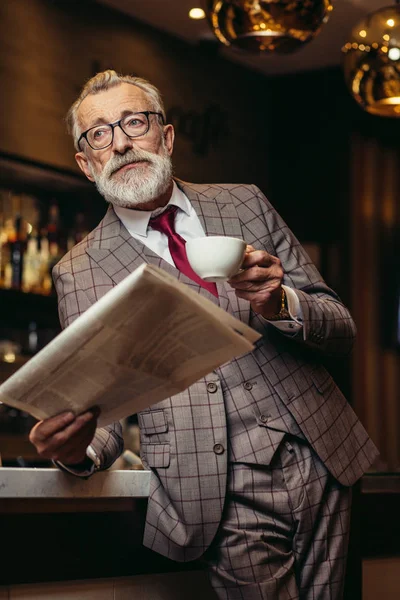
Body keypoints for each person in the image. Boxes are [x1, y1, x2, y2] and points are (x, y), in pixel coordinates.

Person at [29, 70, 378, 600]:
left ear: (165, 138)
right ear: (86, 162)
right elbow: (102, 409)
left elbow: (342, 328)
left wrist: (280, 302)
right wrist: (75, 450)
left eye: (134, 122)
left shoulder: (244, 203)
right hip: (215, 487)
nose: (120, 142)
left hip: (323, 456)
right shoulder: (80, 271)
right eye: (99, 134)